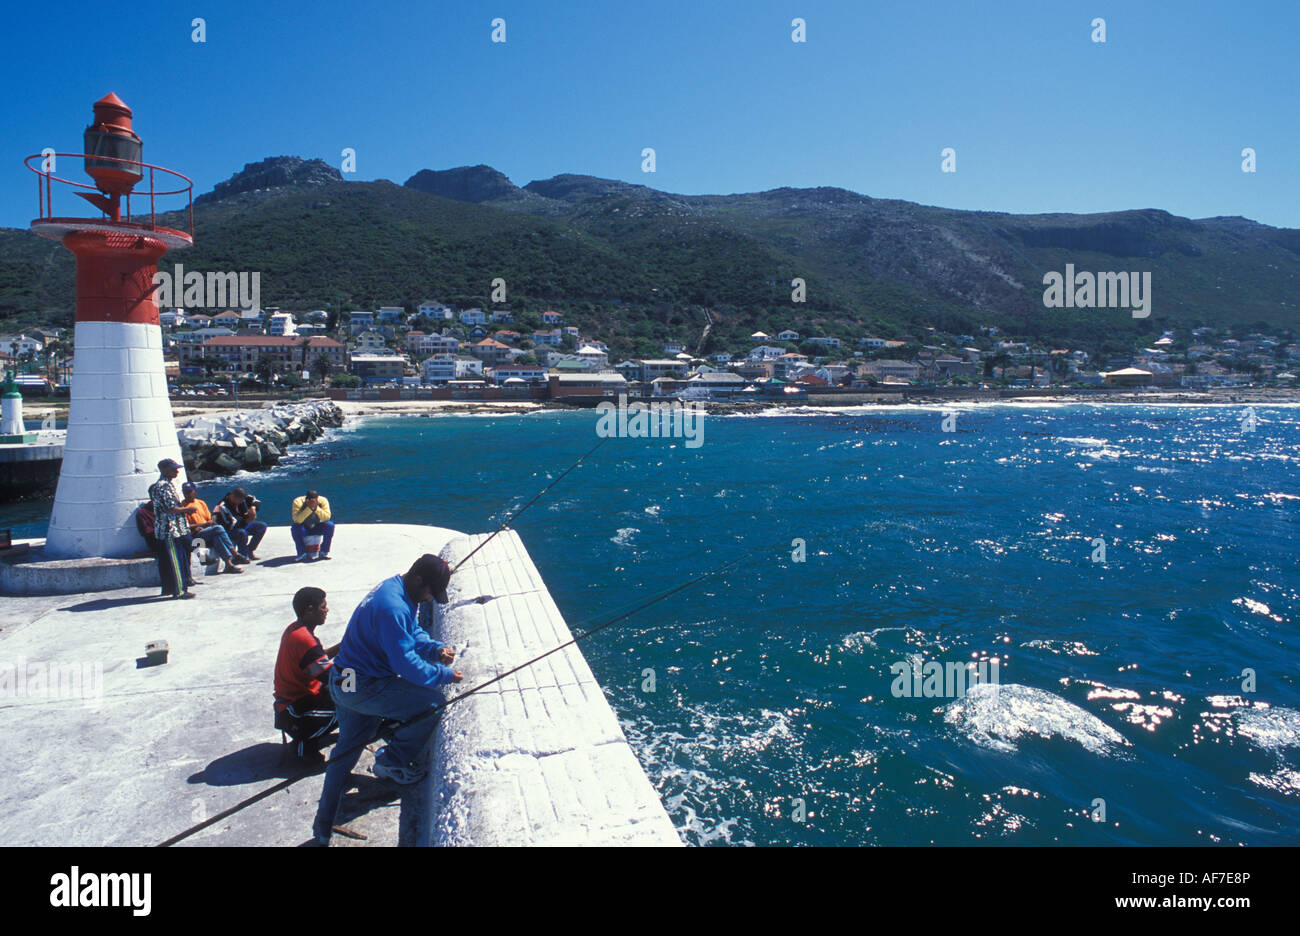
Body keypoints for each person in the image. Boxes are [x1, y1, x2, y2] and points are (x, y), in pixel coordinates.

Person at [311, 555, 462, 845]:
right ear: (418, 580)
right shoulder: (393, 607)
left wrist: (434, 649)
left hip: (343, 678)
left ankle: (322, 827)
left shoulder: (394, 589)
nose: (430, 598)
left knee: (348, 747)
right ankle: (391, 763)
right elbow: (405, 664)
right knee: (431, 704)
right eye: (431, 591)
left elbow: (410, 631)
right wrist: (443, 675)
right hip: (360, 685)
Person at [274, 587, 340, 760]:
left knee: (348, 688)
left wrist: (344, 645)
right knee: (351, 697)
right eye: (323, 606)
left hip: (290, 706)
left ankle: (308, 733)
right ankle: (304, 745)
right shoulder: (304, 640)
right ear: (310, 609)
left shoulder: (295, 630)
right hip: (295, 712)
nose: (327, 610)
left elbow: (318, 659)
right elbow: (334, 678)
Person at [147, 458, 197, 600]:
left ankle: (171, 587)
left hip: (177, 529)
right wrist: (187, 509)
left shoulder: (168, 485)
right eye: (173, 468)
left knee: (178, 557)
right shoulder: (162, 486)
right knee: (176, 561)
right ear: (164, 470)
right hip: (170, 530)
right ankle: (180, 590)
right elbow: (169, 508)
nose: (177, 470)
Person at [181, 482, 245, 575]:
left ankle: (228, 565)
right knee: (218, 529)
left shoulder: (201, 503)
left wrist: (209, 523)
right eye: (184, 492)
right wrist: (202, 525)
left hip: (206, 531)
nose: (186, 494)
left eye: (189, 491)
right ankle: (234, 554)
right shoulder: (182, 506)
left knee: (217, 536)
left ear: (195, 491)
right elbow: (184, 526)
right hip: (195, 534)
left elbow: (209, 517)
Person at [213, 487, 268, 561]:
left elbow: (256, 501)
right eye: (240, 500)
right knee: (242, 532)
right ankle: (242, 555)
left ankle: (250, 550)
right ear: (233, 497)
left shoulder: (243, 499)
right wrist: (247, 519)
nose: (241, 502)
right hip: (228, 530)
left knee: (261, 526)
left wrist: (253, 508)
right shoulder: (222, 506)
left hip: (242, 524)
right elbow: (232, 524)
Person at [290, 489, 335, 562]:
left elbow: (327, 517)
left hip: (318, 526)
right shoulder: (298, 501)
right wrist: (309, 508)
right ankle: (301, 552)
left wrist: (316, 508)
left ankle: (324, 551)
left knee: (330, 525)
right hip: (305, 527)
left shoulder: (323, 500)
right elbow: (296, 520)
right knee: (295, 527)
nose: (312, 502)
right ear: (306, 499)